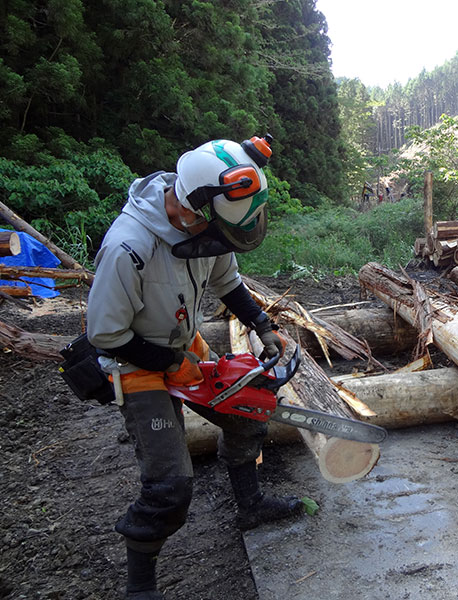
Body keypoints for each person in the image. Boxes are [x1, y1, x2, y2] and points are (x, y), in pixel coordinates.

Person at [86, 136, 304, 599]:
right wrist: (170, 364)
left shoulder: (211, 228)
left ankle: (250, 504)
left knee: (249, 410)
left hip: (187, 344)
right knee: (170, 484)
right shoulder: (128, 248)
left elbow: (228, 282)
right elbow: (106, 336)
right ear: (192, 211)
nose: (221, 244)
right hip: (136, 364)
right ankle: (140, 584)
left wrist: (262, 324)